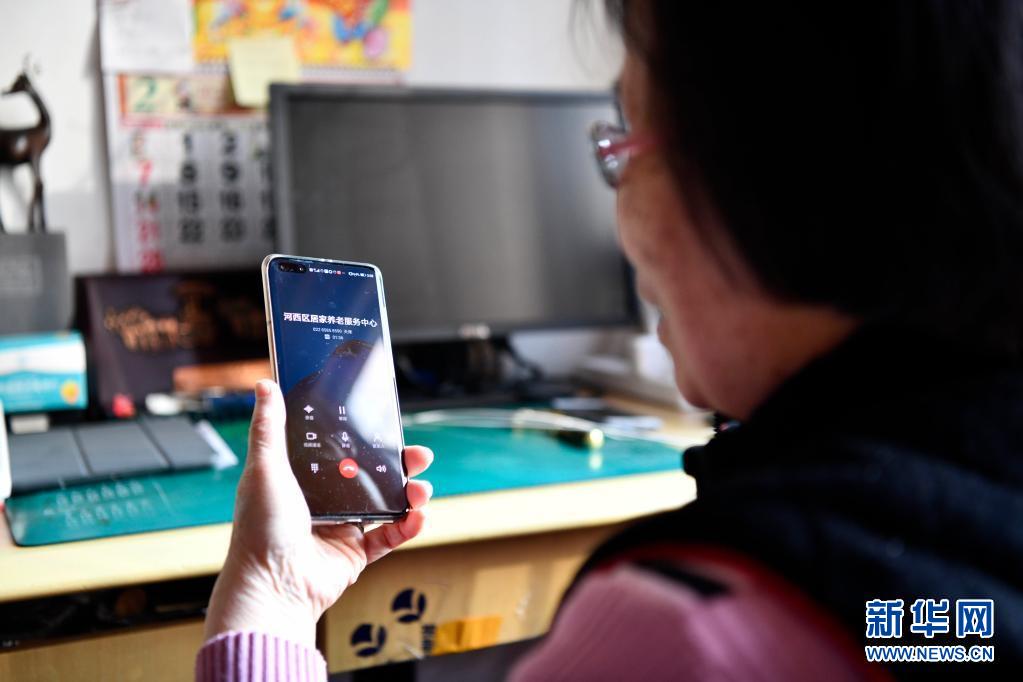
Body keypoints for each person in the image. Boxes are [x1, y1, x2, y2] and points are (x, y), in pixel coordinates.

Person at [198, 1, 1023, 679]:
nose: (616, 217)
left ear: (771, 173)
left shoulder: (687, 625)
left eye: (623, 145)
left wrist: (271, 604)